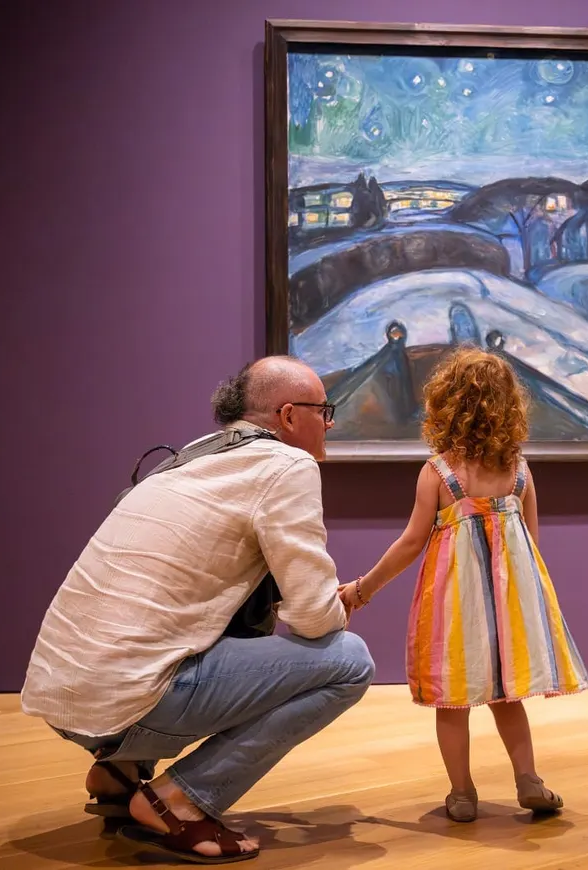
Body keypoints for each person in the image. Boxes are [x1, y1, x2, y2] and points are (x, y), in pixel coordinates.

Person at [19, 355, 375, 864]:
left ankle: (119, 774)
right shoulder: (286, 464)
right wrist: (335, 609)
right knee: (350, 661)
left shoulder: (193, 456)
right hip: (125, 704)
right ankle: (178, 802)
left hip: (64, 695)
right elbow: (315, 619)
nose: (331, 422)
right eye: (325, 410)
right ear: (291, 416)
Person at [339, 347, 588, 823]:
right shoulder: (520, 469)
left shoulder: (439, 472)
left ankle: (462, 792)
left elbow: (412, 542)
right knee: (507, 695)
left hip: (454, 606)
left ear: (446, 404)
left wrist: (360, 589)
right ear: (510, 406)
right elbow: (532, 547)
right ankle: (528, 779)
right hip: (509, 607)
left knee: (451, 700)